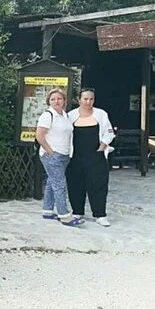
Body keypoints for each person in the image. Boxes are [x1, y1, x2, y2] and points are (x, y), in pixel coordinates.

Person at [66, 88, 115, 227]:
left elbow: (109, 132)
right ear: (79, 99)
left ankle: (100, 214)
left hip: (96, 155)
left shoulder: (101, 114)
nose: (88, 102)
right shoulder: (70, 116)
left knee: (98, 185)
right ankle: (77, 211)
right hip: (75, 156)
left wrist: (102, 146)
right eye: (85, 99)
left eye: (91, 99)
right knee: (75, 184)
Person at [35, 88, 82, 226]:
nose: (56, 101)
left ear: (64, 101)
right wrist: (50, 152)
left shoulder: (65, 116)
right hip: (52, 155)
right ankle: (64, 215)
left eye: (59, 98)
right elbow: (39, 136)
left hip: (64, 154)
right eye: (53, 99)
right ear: (48, 101)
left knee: (52, 182)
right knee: (60, 185)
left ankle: (47, 210)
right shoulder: (47, 116)